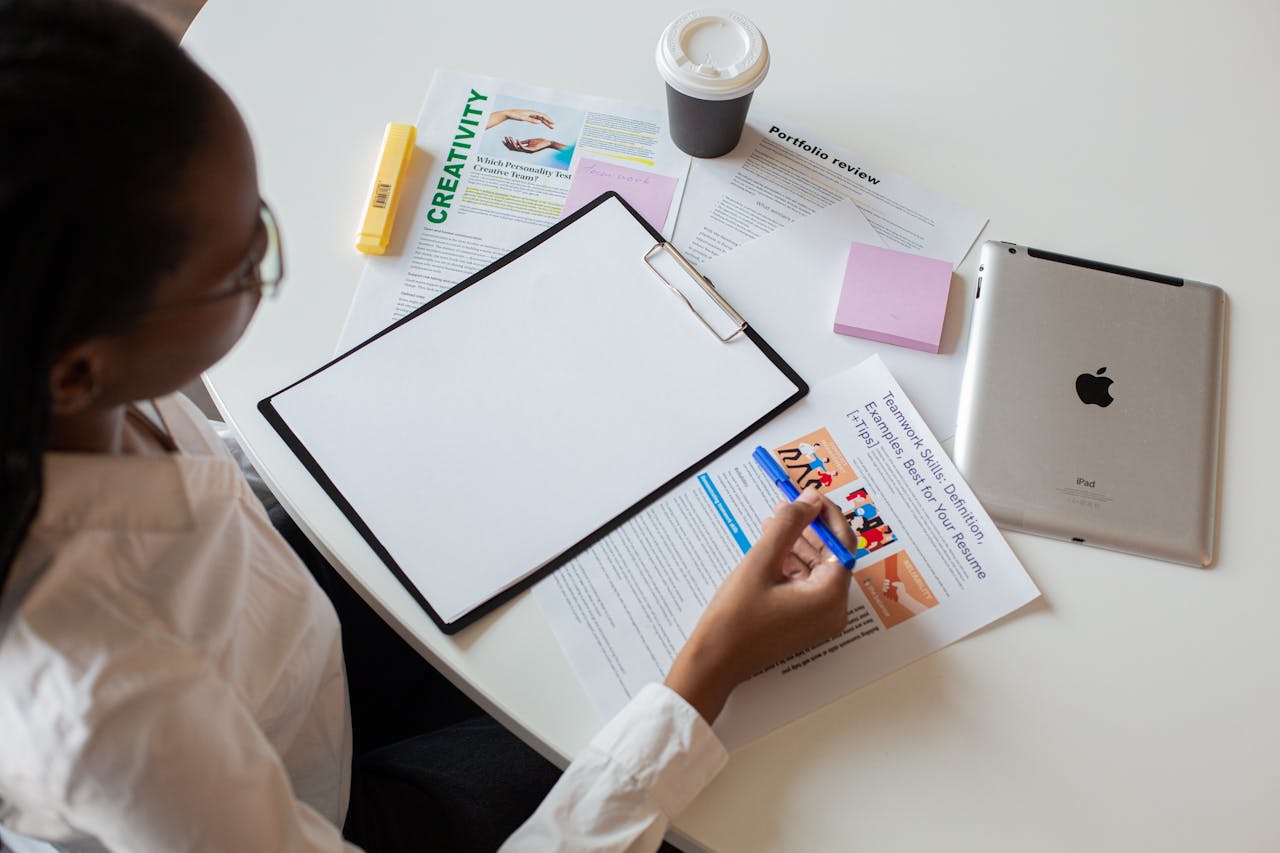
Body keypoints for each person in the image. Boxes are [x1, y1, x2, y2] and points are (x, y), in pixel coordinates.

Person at [0, 1, 858, 850]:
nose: (266, 256)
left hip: (293, 667)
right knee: (683, 772)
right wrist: (705, 673)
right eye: (241, 264)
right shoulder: (111, 717)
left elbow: (212, 493)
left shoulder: (47, 363)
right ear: (78, 367)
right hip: (326, 810)